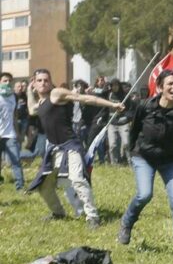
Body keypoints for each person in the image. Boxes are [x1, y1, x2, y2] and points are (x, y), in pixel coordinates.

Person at [26, 68, 125, 229]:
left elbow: (84, 98)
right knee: (44, 186)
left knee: (77, 179)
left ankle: (92, 217)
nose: (43, 83)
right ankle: (58, 213)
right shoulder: (41, 102)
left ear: (51, 82)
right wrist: (30, 92)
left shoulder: (56, 93)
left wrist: (112, 104)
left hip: (71, 146)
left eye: (46, 80)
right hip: (55, 150)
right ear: (34, 83)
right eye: (39, 81)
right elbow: (31, 109)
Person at [117, 70, 173, 261]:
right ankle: (127, 223)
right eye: (170, 84)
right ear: (160, 87)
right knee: (145, 194)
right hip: (144, 157)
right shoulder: (144, 106)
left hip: (171, 161)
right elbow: (134, 129)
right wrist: (132, 150)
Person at [0, 72, 24, 191]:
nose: (7, 83)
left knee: (16, 161)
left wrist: (18, 132)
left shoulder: (14, 96)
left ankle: (20, 187)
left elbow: (15, 116)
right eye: (5, 81)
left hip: (10, 134)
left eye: (9, 81)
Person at [105, 79, 134, 164]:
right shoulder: (109, 95)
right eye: (113, 85)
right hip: (112, 123)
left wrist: (127, 117)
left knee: (126, 144)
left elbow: (131, 110)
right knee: (112, 145)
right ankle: (114, 163)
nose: (115, 87)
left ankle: (130, 162)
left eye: (116, 85)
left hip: (123, 123)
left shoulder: (125, 96)